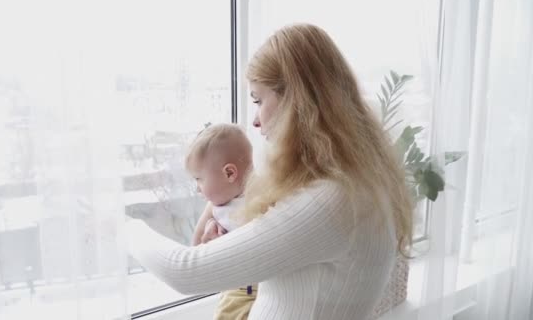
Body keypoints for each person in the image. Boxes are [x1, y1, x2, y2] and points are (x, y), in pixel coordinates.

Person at [126, 23, 413, 320]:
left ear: (296, 101)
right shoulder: (355, 183)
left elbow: (184, 271)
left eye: (258, 100)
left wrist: (123, 226)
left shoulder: (334, 200)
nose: (255, 121)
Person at [186, 123, 257, 319]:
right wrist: (209, 227)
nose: (198, 189)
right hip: (235, 291)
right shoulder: (216, 206)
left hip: (256, 290)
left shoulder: (262, 198)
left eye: (199, 179)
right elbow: (196, 246)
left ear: (229, 174)